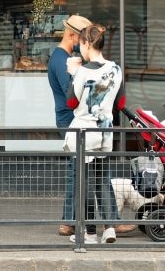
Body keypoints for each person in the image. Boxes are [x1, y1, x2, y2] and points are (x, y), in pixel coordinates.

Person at [64, 24, 122, 244]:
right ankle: (109, 229)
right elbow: (121, 101)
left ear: (87, 43)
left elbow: (71, 102)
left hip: (84, 133)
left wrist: (72, 74)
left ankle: (89, 233)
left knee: (85, 184)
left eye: (80, 44)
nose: (79, 48)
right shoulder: (115, 69)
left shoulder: (83, 72)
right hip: (106, 132)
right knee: (102, 180)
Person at [47, 14, 91, 236]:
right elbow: (71, 95)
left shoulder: (59, 57)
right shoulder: (62, 60)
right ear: (72, 35)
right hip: (70, 119)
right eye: (82, 39)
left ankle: (71, 220)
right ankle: (68, 221)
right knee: (77, 170)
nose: (83, 44)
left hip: (67, 118)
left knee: (79, 169)